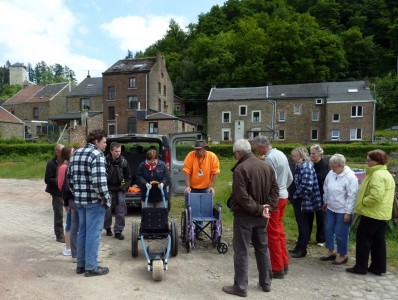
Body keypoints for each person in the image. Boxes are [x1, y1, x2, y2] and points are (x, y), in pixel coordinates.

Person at [222, 139, 279, 297]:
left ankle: (240, 287)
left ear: (238, 153)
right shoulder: (266, 166)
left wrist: (260, 208)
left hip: (245, 216)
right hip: (262, 215)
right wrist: (268, 208)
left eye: (235, 154)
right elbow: (276, 189)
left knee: (242, 250)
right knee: (262, 248)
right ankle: (266, 282)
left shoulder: (241, 168)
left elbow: (241, 196)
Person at [68, 129, 111, 277]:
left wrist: (78, 194)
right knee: (93, 234)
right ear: (96, 141)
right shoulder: (97, 154)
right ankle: (91, 267)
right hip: (94, 201)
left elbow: (70, 180)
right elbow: (99, 181)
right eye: (104, 142)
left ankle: (81, 265)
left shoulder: (76, 153)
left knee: (83, 232)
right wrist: (105, 197)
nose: (106, 144)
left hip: (79, 201)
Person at [346, 150, 395, 276]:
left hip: (372, 213)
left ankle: (360, 267)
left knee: (363, 239)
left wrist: (363, 202)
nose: (367, 162)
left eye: (369, 160)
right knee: (378, 241)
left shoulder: (377, 175)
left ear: (377, 161)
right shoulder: (386, 173)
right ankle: (378, 267)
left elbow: (376, 195)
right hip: (382, 213)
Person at [252, 135, 293, 279]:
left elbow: (269, 183)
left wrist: (267, 199)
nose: (257, 152)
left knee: (272, 233)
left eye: (257, 149)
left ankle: (277, 268)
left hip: (275, 199)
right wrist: (283, 190)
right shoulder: (281, 154)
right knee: (279, 231)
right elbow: (290, 178)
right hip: (284, 195)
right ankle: (284, 262)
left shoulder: (269, 158)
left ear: (262, 147)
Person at [320, 154, 358, 265]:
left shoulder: (351, 177)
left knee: (341, 232)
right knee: (328, 229)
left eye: (334, 166)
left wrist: (348, 212)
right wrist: (325, 201)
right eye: (331, 166)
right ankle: (331, 250)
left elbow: (352, 196)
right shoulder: (331, 173)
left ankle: (343, 254)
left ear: (341, 166)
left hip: (343, 210)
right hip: (331, 207)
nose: (331, 168)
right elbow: (326, 187)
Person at [289, 147, 322, 258]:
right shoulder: (301, 166)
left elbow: (307, 186)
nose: (293, 158)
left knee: (304, 225)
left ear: (301, 156)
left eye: (294, 156)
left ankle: (302, 249)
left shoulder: (306, 166)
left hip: (305, 201)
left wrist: (295, 196)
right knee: (301, 224)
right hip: (302, 199)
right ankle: (299, 246)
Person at [103, 142, 131, 240]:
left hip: (120, 189)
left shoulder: (124, 162)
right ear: (111, 151)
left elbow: (128, 177)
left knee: (120, 212)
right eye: (116, 151)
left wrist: (125, 187)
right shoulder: (104, 161)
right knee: (107, 211)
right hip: (108, 189)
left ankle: (118, 231)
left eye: (119, 151)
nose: (118, 153)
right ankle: (107, 228)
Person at [309, 144, 329, 247]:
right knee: (308, 216)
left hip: (321, 194)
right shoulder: (310, 164)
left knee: (321, 217)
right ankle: (306, 236)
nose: (311, 155)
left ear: (319, 154)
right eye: (310, 153)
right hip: (311, 194)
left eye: (313, 153)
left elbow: (320, 178)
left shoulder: (324, 165)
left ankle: (321, 239)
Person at [45, 143, 65, 243]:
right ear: (57, 152)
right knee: (59, 213)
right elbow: (47, 179)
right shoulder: (51, 163)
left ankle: (69, 233)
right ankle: (59, 235)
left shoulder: (66, 161)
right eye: (62, 151)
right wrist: (58, 180)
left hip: (66, 191)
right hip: (56, 192)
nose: (64, 153)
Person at [57, 146, 74, 257]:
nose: (75, 153)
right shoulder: (64, 167)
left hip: (71, 198)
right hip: (68, 198)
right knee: (69, 223)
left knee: (73, 222)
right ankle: (68, 248)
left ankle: (72, 246)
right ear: (68, 154)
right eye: (73, 152)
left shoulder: (71, 165)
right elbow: (61, 186)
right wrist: (66, 202)